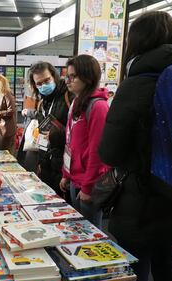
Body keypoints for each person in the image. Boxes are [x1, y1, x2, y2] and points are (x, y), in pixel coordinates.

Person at [98, 11, 172, 281]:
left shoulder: (137, 82)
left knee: (136, 269)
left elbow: (109, 152)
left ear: (136, 42)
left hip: (139, 199)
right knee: (167, 265)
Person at [59, 55, 109, 229]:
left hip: (89, 184)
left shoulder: (98, 107)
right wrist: (66, 174)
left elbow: (98, 152)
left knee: (92, 234)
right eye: (67, 76)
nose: (68, 81)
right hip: (74, 179)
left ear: (87, 77)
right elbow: (70, 141)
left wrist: (88, 187)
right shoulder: (76, 103)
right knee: (78, 230)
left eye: (73, 77)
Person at [20, 62, 72, 188]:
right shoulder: (42, 102)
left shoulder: (69, 97)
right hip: (47, 164)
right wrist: (41, 163)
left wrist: (56, 135)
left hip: (65, 166)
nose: (44, 85)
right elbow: (43, 133)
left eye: (47, 80)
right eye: (39, 83)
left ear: (54, 76)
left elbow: (79, 132)